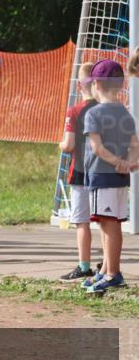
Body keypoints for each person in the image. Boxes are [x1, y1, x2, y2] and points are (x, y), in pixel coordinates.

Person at [80, 59, 137, 293]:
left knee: (108, 226)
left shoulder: (93, 113)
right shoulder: (125, 113)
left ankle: (113, 273)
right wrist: (129, 163)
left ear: (96, 85)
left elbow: (97, 148)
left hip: (103, 177)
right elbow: (135, 144)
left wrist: (119, 162)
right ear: (120, 84)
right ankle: (105, 269)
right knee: (111, 224)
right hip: (120, 179)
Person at [58, 62, 99, 282]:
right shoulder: (106, 109)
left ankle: (84, 266)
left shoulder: (74, 111)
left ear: (79, 85)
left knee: (82, 221)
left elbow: (69, 144)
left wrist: (60, 144)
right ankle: (109, 266)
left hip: (81, 172)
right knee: (107, 221)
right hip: (103, 172)